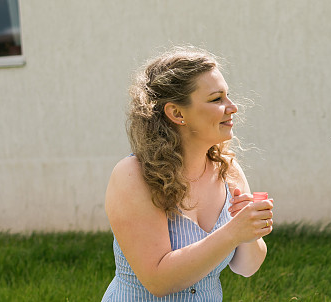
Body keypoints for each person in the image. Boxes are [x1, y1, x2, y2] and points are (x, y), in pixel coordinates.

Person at [102, 46, 273, 301]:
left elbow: (246, 268)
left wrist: (249, 233)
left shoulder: (228, 171)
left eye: (228, 96)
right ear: (177, 113)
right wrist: (233, 232)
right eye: (216, 99)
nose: (233, 107)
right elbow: (159, 280)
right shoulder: (133, 175)